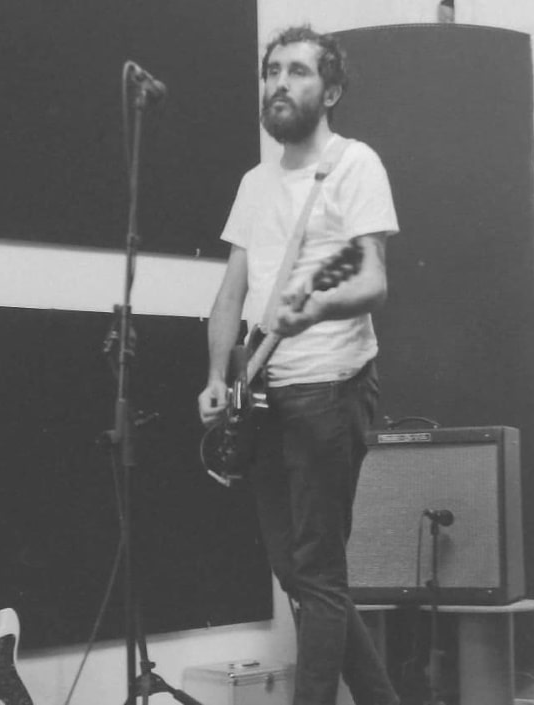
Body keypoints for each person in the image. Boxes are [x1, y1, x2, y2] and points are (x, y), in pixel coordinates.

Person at [197, 25, 400, 705]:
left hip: (330, 388)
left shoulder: (354, 165)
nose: (279, 83)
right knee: (299, 574)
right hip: (263, 394)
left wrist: (311, 310)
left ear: (331, 91)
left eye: (298, 72)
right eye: (272, 70)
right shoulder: (255, 183)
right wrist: (216, 377)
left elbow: (372, 280)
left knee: (317, 572)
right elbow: (231, 292)